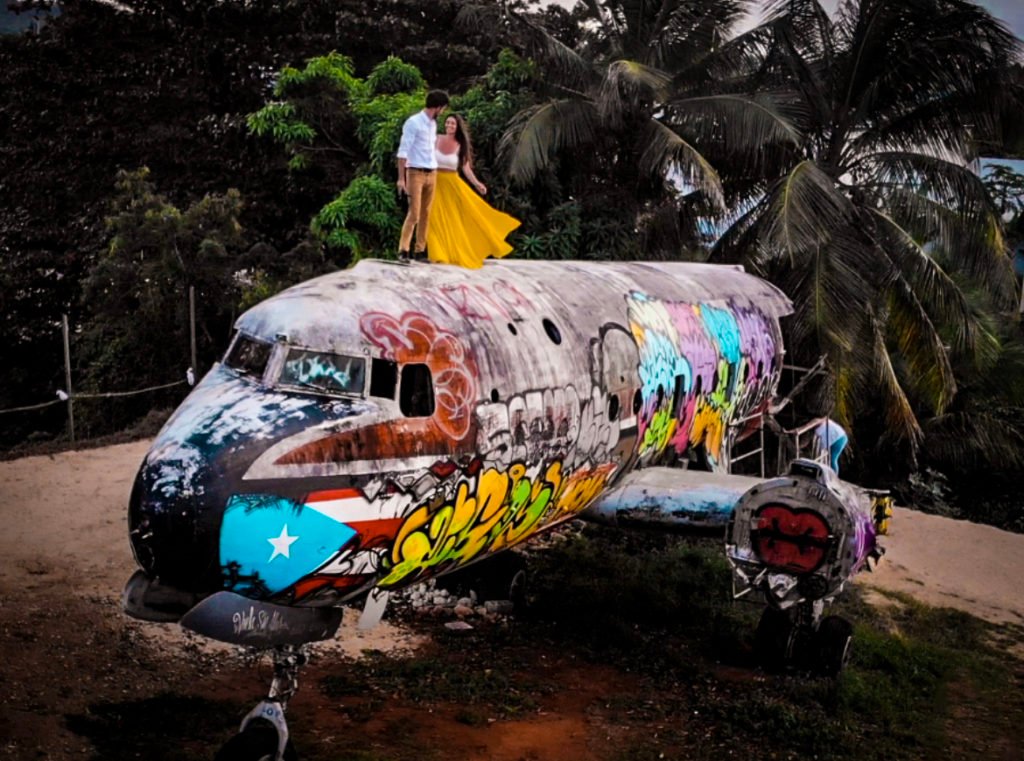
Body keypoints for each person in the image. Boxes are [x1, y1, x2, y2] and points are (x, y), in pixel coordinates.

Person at [427, 113, 521, 268]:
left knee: (462, 216)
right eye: (448, 123)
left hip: (452, 185)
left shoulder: (460, 145)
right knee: (433, 218)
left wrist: (477, 184)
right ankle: (438, 254)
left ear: (457, 127)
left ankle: (456, 251)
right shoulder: (436, 139)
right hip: (435, 183)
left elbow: (466, 168)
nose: (449, 126)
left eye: (453, 123)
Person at [396, 90, 449, 261]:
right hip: (415, 172)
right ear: (437, 107)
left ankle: (420, 250)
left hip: (431, 171)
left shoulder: (433, 124)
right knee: (414, 213)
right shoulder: (413, 122)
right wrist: (401, 178)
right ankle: (403, 249)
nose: (443, 112)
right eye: (443, 108)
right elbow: (403, 151)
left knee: (426, 213)